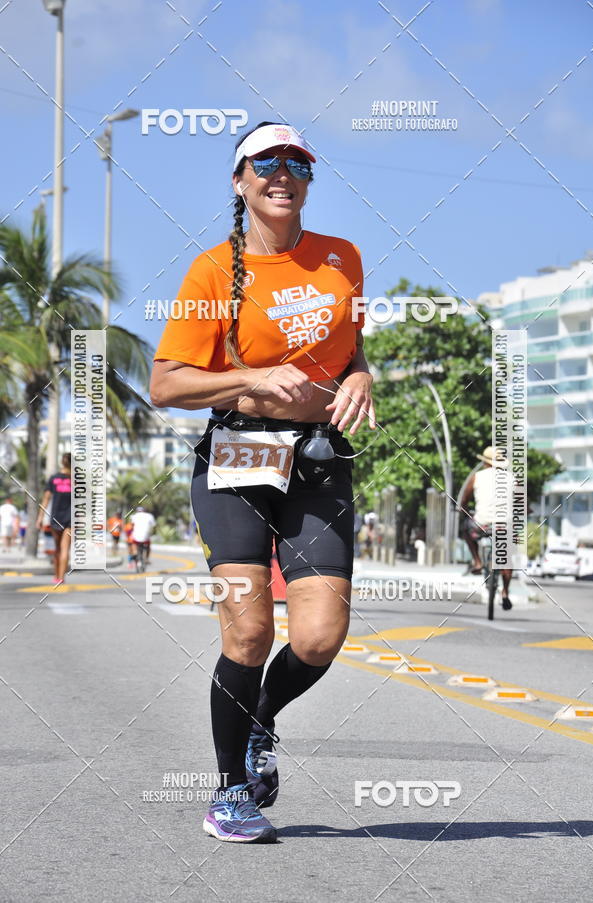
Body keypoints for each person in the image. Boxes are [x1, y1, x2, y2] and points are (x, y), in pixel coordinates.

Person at [150, 121, 375, 843]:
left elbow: (352, 342)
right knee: (249, 630)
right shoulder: (214, 271)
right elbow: (165, 383)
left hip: (317, 458)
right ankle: (230, 792)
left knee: (318, 635)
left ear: (309, 178)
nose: (284, 173)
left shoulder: (343, 258)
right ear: (241, 181)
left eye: (298, 162)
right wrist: (250, 375)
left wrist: (362, 373)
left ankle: (260, 719)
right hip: (238, 461)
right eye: (267, 162)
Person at [461, 446, 513, 611]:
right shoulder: (512, 478)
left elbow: (464, 499)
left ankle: (477, 561)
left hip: (480, 525)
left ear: (485, 462)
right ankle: (505, 592)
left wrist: (462, 508)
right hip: (504, 527)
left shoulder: (477, 477)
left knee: (465, 528)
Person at [36, 453, 72, 585]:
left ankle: (57, 576)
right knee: (65, 548)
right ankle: (61, 578)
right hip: (71, 519)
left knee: (57, 549)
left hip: (56, 517)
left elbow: (45, 499)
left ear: (62, 463)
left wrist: (39, 518)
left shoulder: (54, 479)